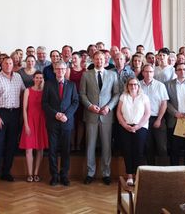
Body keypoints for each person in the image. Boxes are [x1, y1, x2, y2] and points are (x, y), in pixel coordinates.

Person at [80, 51, 120, 185]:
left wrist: (109, 107)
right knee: (90, 145)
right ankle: (90, 173)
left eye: (101, 59)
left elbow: (116, 94)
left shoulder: (113, 75)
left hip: (106, 115)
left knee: (106, 145)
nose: (99, 61)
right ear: (93, 60)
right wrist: (90, 106)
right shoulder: (86, 75)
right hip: (91, 115)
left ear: (105, 60)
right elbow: (82, 94)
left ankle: (106, 173)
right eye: (96, 59)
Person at [42, 61, 79, 186]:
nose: (60, 71)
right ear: (54, 70)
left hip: (66, 123)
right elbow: (45, 103)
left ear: (66, 70)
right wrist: (56, 114)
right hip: (53, 122)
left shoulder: (72, 85)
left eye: (62, 69)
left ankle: (64, 175)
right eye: (58, 69)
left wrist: (66, 115)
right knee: (52, 151)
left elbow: (75, 102)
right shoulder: (48, 84)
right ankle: (54, 176)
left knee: (65, 151)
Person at [0, 57, 25, 181]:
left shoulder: (18, 77)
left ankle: (6, 172)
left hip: (14, 113)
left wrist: (21, 114)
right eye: (6, 63)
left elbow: (22, 94)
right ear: (1, 64)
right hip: (1, 113)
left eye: (10, 63)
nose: (8, 65)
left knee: (11, 144)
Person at [117, 77, 151, 186]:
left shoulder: (144, 97)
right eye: (131, 84)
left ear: (138, 86)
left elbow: (147, 113)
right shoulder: (123, 96)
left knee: (139, 152)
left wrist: (137, 126)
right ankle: (130, 176)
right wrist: (125, 125)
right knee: (127, 151)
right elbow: (118, 113)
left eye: (135, 84)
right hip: (125, 127)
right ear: (127, 86)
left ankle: (138, 176)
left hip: (140, 127)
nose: (133, 86)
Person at [19, 71, 48, 182]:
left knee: (40, 149)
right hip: (30, 121)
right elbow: (24, 109)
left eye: (41, 78)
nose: (39, 79)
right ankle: (29, 174)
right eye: (37, 77)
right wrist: (26, 124)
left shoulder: (45, 91)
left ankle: (36, 173)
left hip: (42, 121)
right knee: (29, 149)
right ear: (33, 78)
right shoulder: (27, 90)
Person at [140, 63, 169, 165]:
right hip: (143, 120)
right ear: (143, 73)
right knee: (148, 147)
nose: (148, 74)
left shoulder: (160, 85)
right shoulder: (138, 85)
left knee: (162, 147)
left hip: (157, 118)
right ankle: (151, 172)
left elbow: (164, 103)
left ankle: (165, 171)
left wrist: (159, 119)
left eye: (151, 71)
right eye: (146, 71)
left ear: (153, 73)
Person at [65, 51, 86, 152]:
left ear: (80, 59)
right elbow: (66, 85)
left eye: (75, 58)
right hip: (71, 100)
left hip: (81, 99)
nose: (73, 60)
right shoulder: (69, 70)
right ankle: (72, 144)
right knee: (72, 122)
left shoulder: (85, 71)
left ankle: (78, 144)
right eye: (72, 58)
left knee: (81, 122)